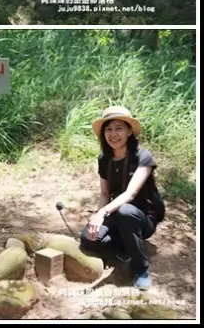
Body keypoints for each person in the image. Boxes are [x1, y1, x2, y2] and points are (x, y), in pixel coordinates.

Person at [79, 106, 165, 290]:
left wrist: (103, 212)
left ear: (129, 131)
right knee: (88, 238)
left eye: (119, 128)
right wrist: (97, 217)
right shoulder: (104, 158)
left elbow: (130, 194)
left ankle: (140, 268)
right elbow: (105, 193)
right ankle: (125, 246)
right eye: (108, 129)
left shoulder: (142, 156)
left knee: (126, 212)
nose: (113, 134)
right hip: (116, 211)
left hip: (142, 217)